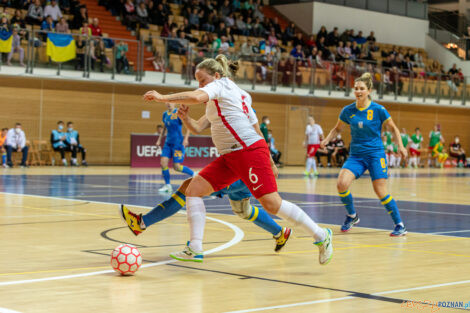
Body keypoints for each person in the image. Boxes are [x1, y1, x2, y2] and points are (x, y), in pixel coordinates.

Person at [138, 54, 333, 264]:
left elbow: (197, 98)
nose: (199, 85)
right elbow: (197, 126)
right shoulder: (232, 96)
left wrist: (162, 97)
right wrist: (185, 118)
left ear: (217, 75)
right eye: (197, 81)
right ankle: (195, 247)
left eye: (202, 80)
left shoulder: (221, 86)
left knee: (271, 203)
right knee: (193, 189)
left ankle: (321, 236)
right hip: (230, 156)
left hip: (247, 151)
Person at [321, 72, 407, 236]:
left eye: (362, 89)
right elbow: (338, 128)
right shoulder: (348, 110)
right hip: (356, 156)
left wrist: (401, 146)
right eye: (356, 89)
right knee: (341, 183)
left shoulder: (378, 109)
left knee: (380, 191)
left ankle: (400, 225)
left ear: (369, 91)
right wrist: (326, 139)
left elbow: (393, 129)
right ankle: (352, 216)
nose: (358, 91)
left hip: (375, 154)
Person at [156, 102, 194, 193]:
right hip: (167, 144)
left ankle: (194, 175)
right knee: (163, 163)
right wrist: (159, 139)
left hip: (178, 144)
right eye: (167, 102)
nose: (169, 104)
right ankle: (168, 185)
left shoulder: (178, 113)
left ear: (174, 104)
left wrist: (186, 139)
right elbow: (165, 127)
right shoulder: (164, 114)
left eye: (171, 102)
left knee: (176, 167)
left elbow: (188, 126)